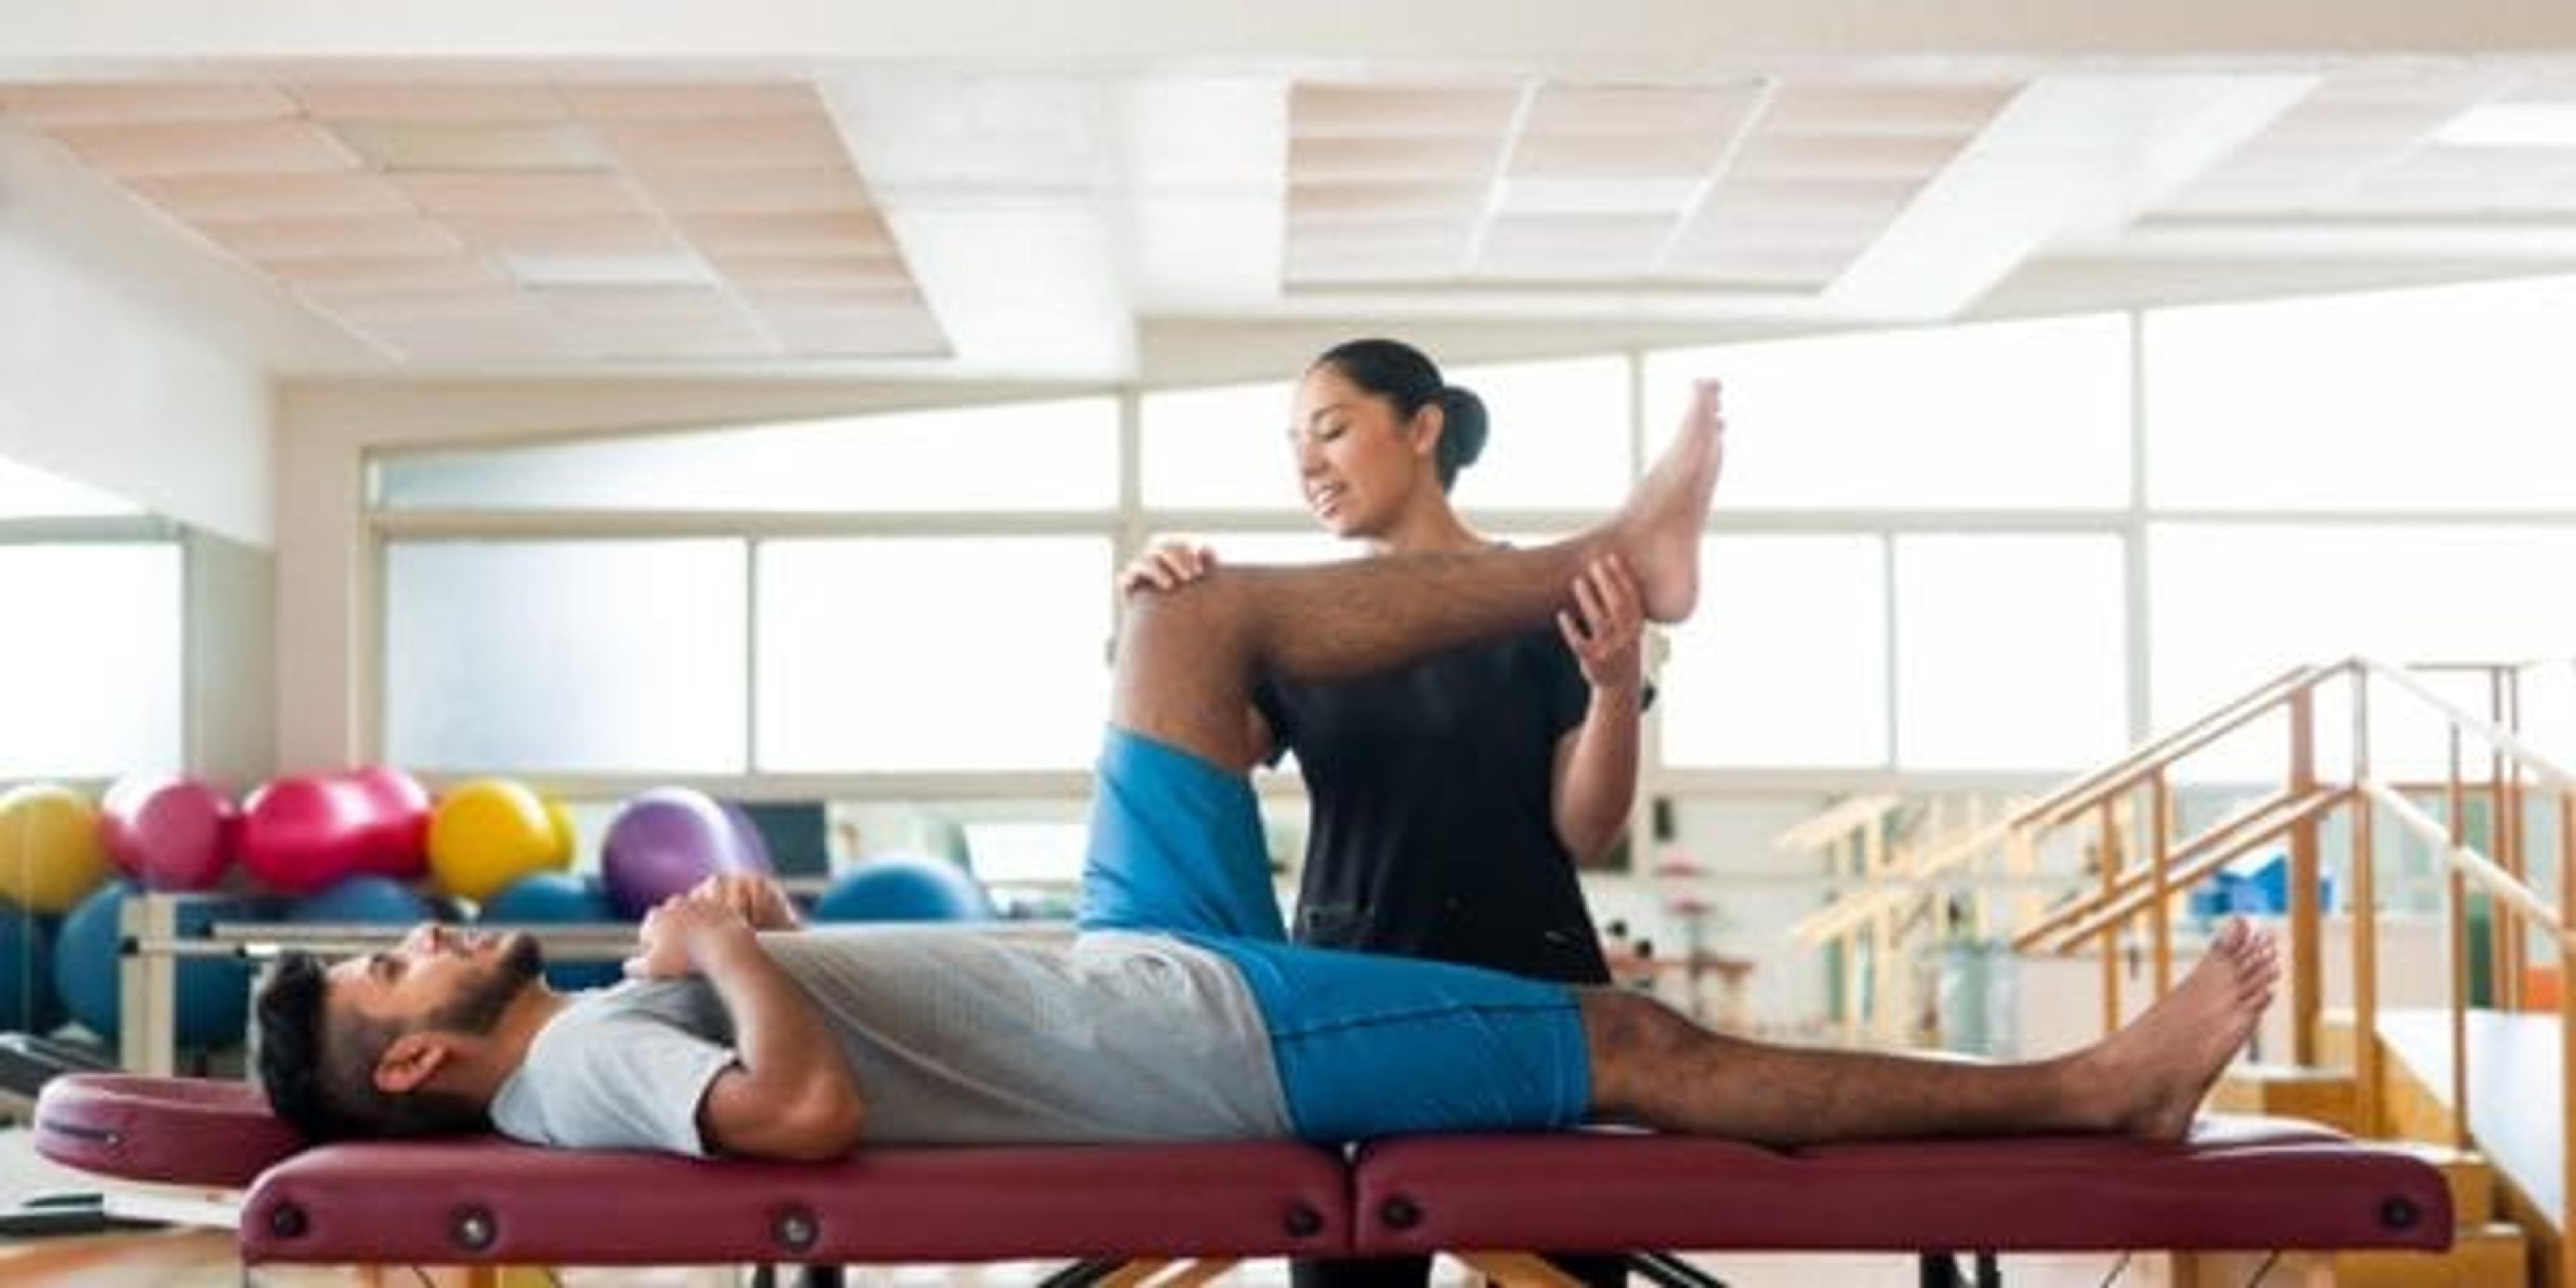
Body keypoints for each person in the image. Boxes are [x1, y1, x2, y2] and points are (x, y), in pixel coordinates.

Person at [254, 382, 2281, 1167]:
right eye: (379, 978)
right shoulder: (576, 1071)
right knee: (1640, 1042)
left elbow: (795, 1049)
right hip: (1190, 1033)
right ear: (422, 1064)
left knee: (1181, 623)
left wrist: (739, 936)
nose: (414, 938)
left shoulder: (589, 1041)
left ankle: (1614, 560)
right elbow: (799, 1114)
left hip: (1121, 960)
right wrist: (731, 955)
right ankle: (2092, 1087)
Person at [1123, 338, 1647, 1288]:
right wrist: (1163, 631)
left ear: (1423, 428)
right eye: (1293, 446)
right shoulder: (1293, 621)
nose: (1307, 466)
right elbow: (1191, 758)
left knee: (1571, 1269)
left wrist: (1615, 687)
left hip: (1532, 978)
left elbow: (1587, 828)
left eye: (1330, 430)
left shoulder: (1543, 601)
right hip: (1350, 996)